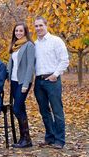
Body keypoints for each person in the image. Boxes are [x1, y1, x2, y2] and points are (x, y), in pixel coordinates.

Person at [34, 16, 69, 149]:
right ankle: (50, 137)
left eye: (40, 25)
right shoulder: (35, 44)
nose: (38, 28)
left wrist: (55, 75)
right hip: (39, 81)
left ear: (46, 25)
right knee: (44, 111)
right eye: (36, 26)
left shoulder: (56, 41)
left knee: (57, 111)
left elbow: (64, 60)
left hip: (52, 80)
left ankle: (60, 140)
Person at [8, 22, 35, 148]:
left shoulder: (29, 45)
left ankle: (27, 138)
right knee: (20, 108)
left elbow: (30, 65)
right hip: (14, 81)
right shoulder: (14, 46)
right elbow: (12, 65)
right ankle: (24, 138)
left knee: (17, 108)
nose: (18, 33)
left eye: (21, 31)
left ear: (25, 32)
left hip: (23, 81)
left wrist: (26, 83)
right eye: (16, 31)